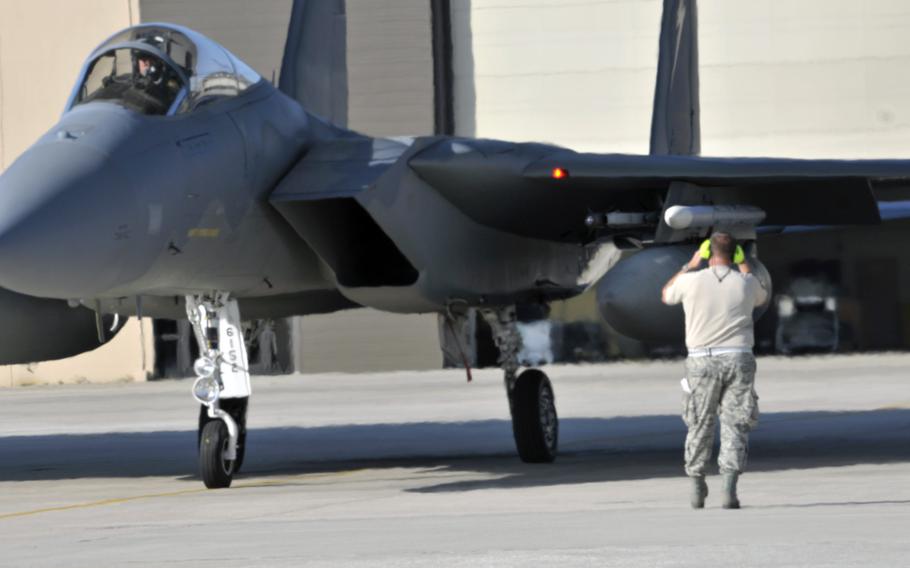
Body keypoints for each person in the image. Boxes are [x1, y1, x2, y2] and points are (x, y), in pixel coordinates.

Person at [661, 232, 768, 509]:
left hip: (701, 360)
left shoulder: (690, 281)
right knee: (736, 423)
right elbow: (761, 295)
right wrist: (744, 263)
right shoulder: (745, 283)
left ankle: (697, 485)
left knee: (699, 422)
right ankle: (729, 488)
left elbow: (666, 295)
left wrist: (691, 263)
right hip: (738, 358)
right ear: (734, 255)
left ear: (708, 253)